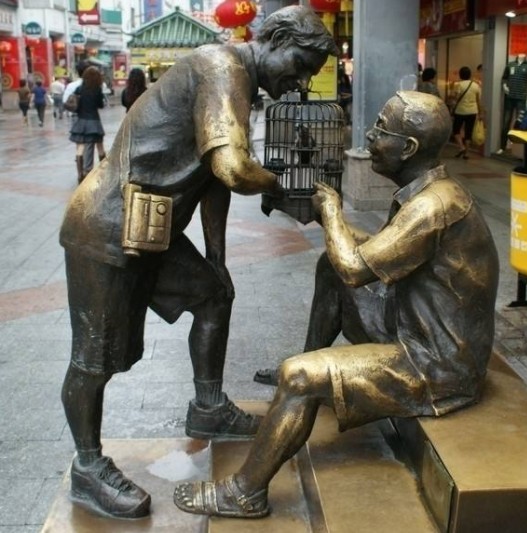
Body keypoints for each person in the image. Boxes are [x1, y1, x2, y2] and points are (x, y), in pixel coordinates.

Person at [58, 5, 338, 520]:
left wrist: (216, 258)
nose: (299, 82)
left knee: (214, 294)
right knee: (94, 357)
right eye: (299, 65)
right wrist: (281, 186)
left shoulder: (240, 81)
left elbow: (212, 178)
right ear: (275, 39)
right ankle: (88, 465)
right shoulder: (222, 68)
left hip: (151, 226)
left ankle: (208, 407)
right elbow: (232, 167)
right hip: (108, 224)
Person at [174, 90, 499, 519]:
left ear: (408, 148)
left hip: (436, 364)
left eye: (381, 130)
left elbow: (355, 269)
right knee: (329, 264)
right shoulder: (429, 192)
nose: (370, 136)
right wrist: (331, 224)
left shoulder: (432, 207)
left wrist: (331, 213)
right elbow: (366, 255)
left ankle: (245, 493)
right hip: (410, 325)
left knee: (300, 376)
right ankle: (310, 366)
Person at [69, 66, 106, 183]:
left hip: (81, 121)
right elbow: (100, 105)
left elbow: (75, 104)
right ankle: (103, 172)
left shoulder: (79, 89)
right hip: (94, 121)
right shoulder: (97, 90)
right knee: (100, 147)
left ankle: (80, 174)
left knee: (80, 147)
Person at [498, 53, 527, 154]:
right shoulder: (510, 65)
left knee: (520, 122)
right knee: (506, 122)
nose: (521, 54)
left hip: (521, 98)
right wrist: (505, 86)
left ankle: (516, 147)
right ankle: (502, 146)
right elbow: (504, 78)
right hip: (509, 98)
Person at [64, 61, 96, 175]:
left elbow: (65, 102)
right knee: (89, 144)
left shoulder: (71, 86)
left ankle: (80, 171)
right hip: (90, 118)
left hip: (76, 118)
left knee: (79, 144)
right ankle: (88, 169)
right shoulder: (92, 85)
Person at [450, 66, 482, 159]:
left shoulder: (458, 85)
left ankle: (461, 147)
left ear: (460, 75)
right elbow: (478, 101)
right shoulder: (476, 85)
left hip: (460, 111)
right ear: (469, 75)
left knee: (456, 130)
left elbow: (453, 97)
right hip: (472, 111)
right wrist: (480, 112)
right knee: (469, 132)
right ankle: (466, 153)